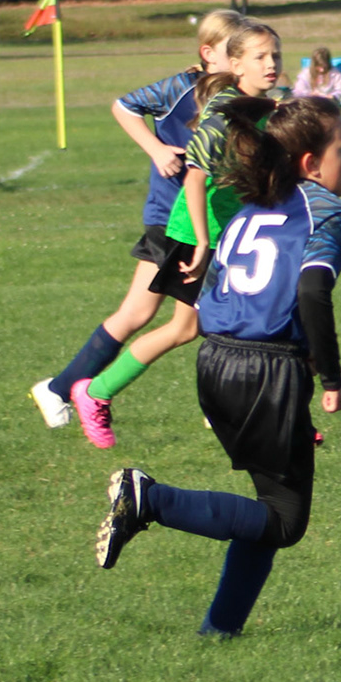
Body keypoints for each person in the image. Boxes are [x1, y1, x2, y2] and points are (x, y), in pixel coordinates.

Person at [93, 95, 341, 642]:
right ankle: (149, 499)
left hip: (216, 359)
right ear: (311, 163)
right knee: (284, 520)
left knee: (268, 507)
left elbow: (226, 288)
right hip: (266, 370)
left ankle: (220, 630)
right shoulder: (329, 211)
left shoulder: (249, 207)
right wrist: (330, 376)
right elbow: (313, 290)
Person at [70, 23, 283, 448]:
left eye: (275, 55)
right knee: (190, 328)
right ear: (235, 64)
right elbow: (194, 179)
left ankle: (263, 417)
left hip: (232, 231)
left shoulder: (265, 106)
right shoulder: (224, 112)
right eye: (260, 56)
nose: (271, 63)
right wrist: (201, 242)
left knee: (247, 323)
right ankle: (95, 392)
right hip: (199, 233)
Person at [32, 10, 246, 431]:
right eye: (234, 50)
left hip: (201, 221)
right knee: (185, 319)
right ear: (208, 53)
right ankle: (73, 390)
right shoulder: (180, 88)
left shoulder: (238, 97)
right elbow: (124, 105)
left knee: (164, 317)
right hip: (175, 221)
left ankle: (62, 388)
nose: (243, 59)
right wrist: (156, 149)